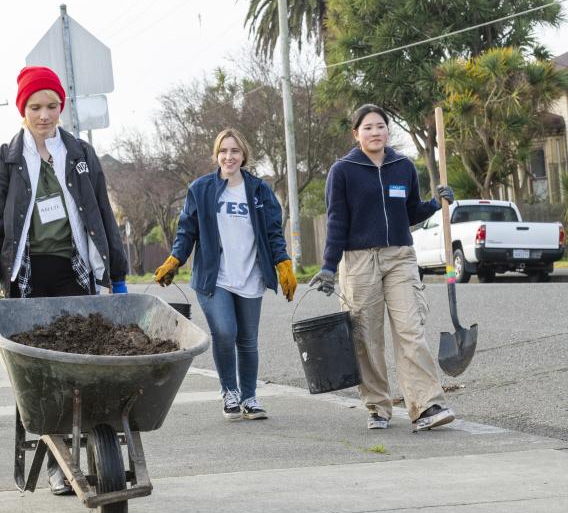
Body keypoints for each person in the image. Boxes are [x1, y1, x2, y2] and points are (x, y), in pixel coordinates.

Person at [0, 65, 129, 493]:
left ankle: (83, 450)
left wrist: (117, 274)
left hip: (77, 273)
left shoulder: (79, 155)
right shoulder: (5, 160)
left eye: (53, 106)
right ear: (22, 109)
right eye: (36, 107)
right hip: (28, 278)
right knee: (41, 374)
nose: (45, 115)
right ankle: (59, 462)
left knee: (84, 368)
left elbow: (101, 216)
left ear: (62, 107)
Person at [309, 104, 455, 432]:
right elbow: (336, 221)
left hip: (400, 256)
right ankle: (377, 405)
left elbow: (410, 210)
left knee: (411, 330)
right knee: (365, 337)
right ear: (356, 133)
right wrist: (329, 267)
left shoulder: (402, 166)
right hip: (358, 261)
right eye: (368, 128)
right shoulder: (343, 170)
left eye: (381, 127)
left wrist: (435, 203)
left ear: (388, 131)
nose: (375, 133)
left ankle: (427, 404)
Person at [155, 128, 296, 421]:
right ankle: (229, 392)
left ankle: (250, 397)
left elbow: (273, 232)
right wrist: (174, 259)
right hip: (213, 276)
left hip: (250, 274)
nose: (229, 157)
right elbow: (187, 230)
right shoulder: (201, 189)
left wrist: (283, 263)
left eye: (234, 151)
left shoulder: (259, 190)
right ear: (216, 155)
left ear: (243, 155)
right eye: (223, 151)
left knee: (247, 340)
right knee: (225, 331)